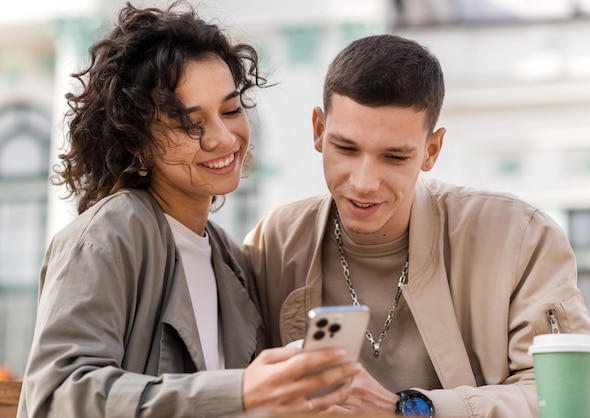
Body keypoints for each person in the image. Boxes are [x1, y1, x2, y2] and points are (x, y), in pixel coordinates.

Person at [243, 34, 590, 417]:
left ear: (431, 151)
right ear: (319, 130)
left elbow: (572, 396)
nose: (363, 182)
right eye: (346, 148)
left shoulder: (517, 237)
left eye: (394, 157)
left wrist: (406, 409)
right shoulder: (275, 242)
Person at [17, 2, 360, 417]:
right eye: (190, 123)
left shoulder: (228, 258)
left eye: (231, 110)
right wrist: (241, 391)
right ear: (135, 140)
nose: (223, 138)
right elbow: (55, 398)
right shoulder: (108, 235)